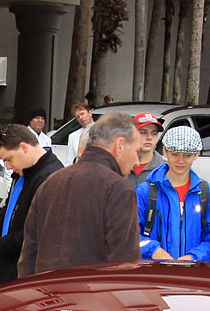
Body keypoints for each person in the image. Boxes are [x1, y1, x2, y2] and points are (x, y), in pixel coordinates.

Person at [17, 112, 143, 276]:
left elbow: (28, 256)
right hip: (93, 296)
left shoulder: (51, 181)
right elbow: (123, 265)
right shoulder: (119, 189)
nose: (137, 161)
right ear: (119, 145)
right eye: (136, 151)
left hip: (48, 294)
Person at [0, 124, 60, 285]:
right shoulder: (25, 171)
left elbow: (33, 236)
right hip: (14, 266)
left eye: (9, 159)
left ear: (24, 147)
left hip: (31, 273)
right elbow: (9, 211)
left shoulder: (50, 178)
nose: (7, 166)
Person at [136, 124, 210, 264]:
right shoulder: (144, 191)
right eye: (175, 154)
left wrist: (193, 257)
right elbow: (130, 234)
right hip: (153, 272)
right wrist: (153, 250)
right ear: (165, 151)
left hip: (194, 274)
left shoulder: (207, 192)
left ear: (197, 154)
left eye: (187, 155)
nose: (180, 161)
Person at [129, 112, 163, 179]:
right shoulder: (119, 166)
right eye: (143, 132)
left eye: (154, 133)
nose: (149, 137)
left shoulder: (165, 168)